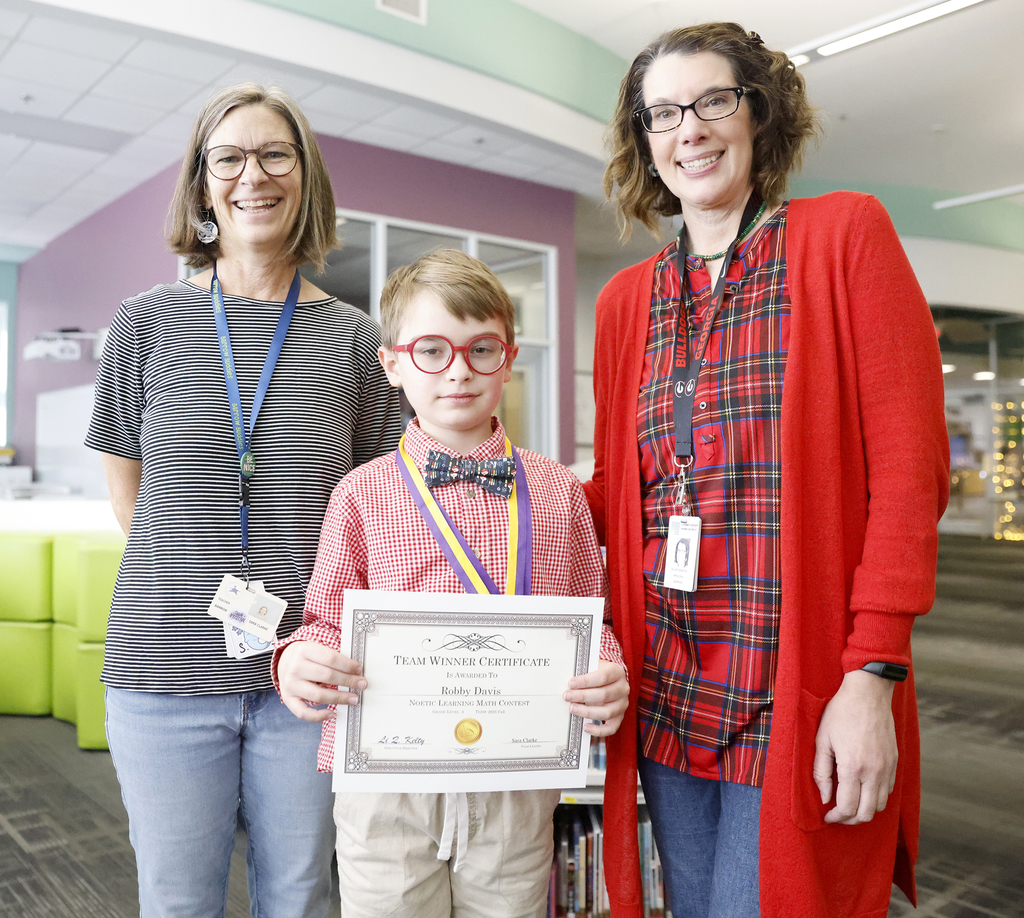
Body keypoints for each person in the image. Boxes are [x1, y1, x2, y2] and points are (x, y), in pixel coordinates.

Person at [588, 23, 949, 918]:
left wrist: (874, 676)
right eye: (664, 112)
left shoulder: (841, 237)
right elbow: (612, 492)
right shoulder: (625, 301)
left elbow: (910, 478)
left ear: (759, 112)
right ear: (645, 139)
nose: (692, 129)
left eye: (715, 101)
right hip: (668, 680)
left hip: (797, 682)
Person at [85, 83, 402, 917]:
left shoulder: (357, 340)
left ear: (305, 178)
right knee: (178, 898)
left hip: (308, 676)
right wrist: (207, 586)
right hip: (162, 670)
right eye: (228, 158)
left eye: (274, 155)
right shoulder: (144, 322)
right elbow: (130, 490)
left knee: (297, 897)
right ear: (201, 184)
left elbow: (374, 508)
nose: (251, 175)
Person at [273, 249, 630, 918]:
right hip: (389, 789)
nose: (460, 371)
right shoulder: (360, 495)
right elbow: (323, 623)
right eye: (432, 350)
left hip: (516, 789)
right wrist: (297, 661)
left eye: (481, 349)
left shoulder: (560, 494)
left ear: (510, 355)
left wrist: (607, 672)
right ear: (393, 365)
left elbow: (595, 623)